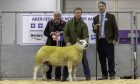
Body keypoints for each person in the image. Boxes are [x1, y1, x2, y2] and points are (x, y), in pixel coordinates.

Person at [92, 1, 118, 80]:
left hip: (109, 41)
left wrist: (115, 39)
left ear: (105, 7)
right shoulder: (95, 18)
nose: (101, 7)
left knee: (110, 59)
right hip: (100, 42)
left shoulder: (111, 16)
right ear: (98, 7)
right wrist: (94, 28)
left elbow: (115, 29)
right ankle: (104, 75)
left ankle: (112, 75)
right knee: (102, 60)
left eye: (102, 6)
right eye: (99, 6)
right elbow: (94, 30)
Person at [63, 7, 91, 81]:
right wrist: (67, 42)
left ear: (81, 14)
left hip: (81, 46)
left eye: (79, 13)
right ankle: (64, 77)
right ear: (74, 13)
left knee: (84, 60)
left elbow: (86, 36)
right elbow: (65, 34)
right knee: (68, 61)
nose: (78, 14)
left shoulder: (84, 24)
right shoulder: (69, 23)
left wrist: (81, 44)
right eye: (76, 13)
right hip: (70, 46)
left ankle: (88, 77)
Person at [43, 10, 68, 81]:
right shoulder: (49, 22)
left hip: (60, 44)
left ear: (60, 16)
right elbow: (45, 33)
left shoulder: (64, 23)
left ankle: (57, 77)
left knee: (59, 60)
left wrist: (61, 33)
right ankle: (48, 76)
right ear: (53, 16)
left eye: (58, 16)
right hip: (50, 45)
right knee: (48, 60)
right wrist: (50, 34)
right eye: (56, 16)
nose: (57, 17)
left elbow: (66, 33)